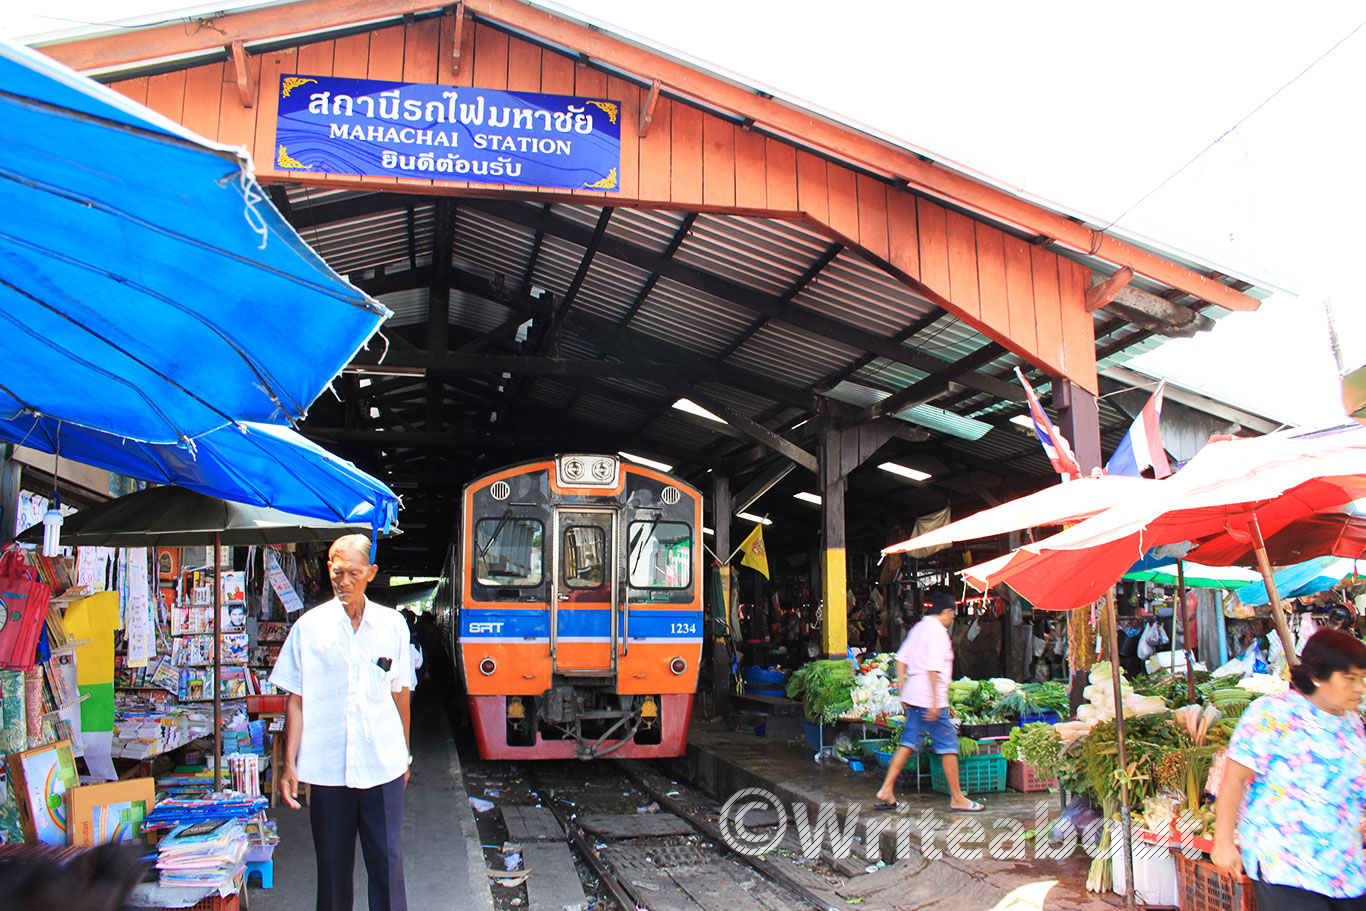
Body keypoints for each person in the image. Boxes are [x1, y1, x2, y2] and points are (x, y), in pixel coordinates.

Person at [270, 535, 414, 911]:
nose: (344, 581)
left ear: (371, 573)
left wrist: (405, 756)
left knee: (387, 868)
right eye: (337, 573)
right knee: (332, 873)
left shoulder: (392, 625)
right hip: (328, 770)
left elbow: (401, 695)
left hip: (382, 766)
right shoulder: (308, 627)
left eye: (353, 573)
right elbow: (296, 699)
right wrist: (290, 763)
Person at [1212, 627, 1366, 910]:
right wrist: (1222, 842)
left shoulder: (1353, 724)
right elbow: (1233, 779)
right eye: (1349, 678)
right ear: (1319, 677)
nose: (1359, 688)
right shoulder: (1273, 713)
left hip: (1346, 868)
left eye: (1361, 679)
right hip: (1286, 865)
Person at [872, 587, 984, 813]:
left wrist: (904, 689)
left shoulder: (919, 628)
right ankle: (957, 798)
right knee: (948, 746)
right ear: (948, 611)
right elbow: (933, 669)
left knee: (908, 743)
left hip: (915, 698)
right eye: (953, 613)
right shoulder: (938, 632)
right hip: (931, 701)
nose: (953, 617)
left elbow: (900, 659)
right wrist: (934, 701)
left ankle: (886, 789)